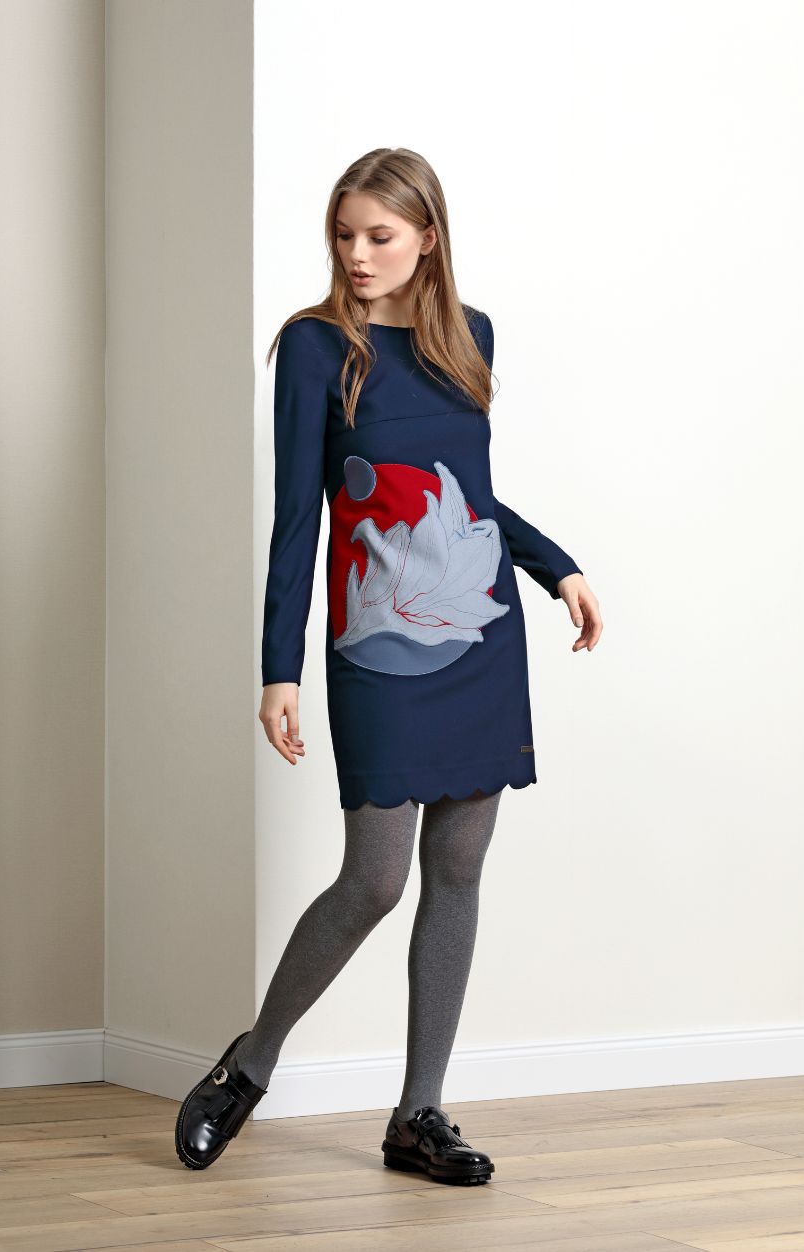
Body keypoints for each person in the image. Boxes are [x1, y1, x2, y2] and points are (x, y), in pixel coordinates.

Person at [176, 147, 603, 1183]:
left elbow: (467, 493)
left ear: (427, 238)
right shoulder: (315, 346)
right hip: (375, 642)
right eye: (344, 235)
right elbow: (296, 522)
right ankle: (248, 1064)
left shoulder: (471, 337)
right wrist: (278, 669)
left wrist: (556, 566)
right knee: (372, 878)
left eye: (379, 235)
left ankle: (418, 1115)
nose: (357, 255)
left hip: (478, 632)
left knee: (457, 869)